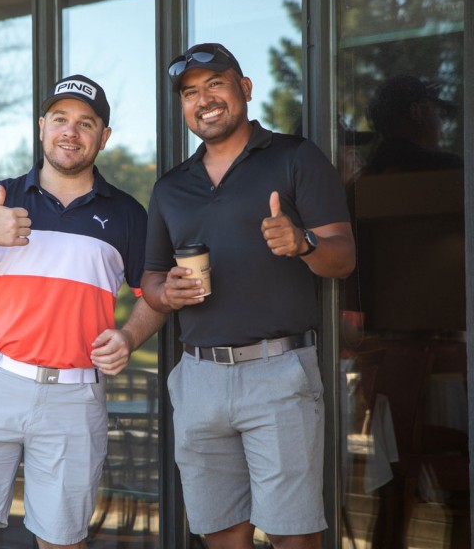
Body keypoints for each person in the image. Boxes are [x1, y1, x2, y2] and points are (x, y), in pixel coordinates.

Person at [0, 74, 166, 549]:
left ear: (104, 136)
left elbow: (154, 297)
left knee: (62, 541)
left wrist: (128, 337)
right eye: (60, 119)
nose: (70, 132)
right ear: (41, 127)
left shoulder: (127, 214)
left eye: (85, 123)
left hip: (73, 400)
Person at [141, 43, 356, 549]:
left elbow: (343, 257)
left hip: (277, 372)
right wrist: (166, 291)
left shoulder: (294, 156)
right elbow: (150, 280)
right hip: (198, 378)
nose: (204, 98)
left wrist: (302, 243)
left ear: (245, 89)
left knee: (293, 536)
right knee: (221, 535)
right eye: (191, 92)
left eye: (216, 83)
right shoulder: (171, 187)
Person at [365, 74, 463, 174]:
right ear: (417, 112)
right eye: (441, 115)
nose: (443, 125)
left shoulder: (367, 175)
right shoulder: (447, 167)